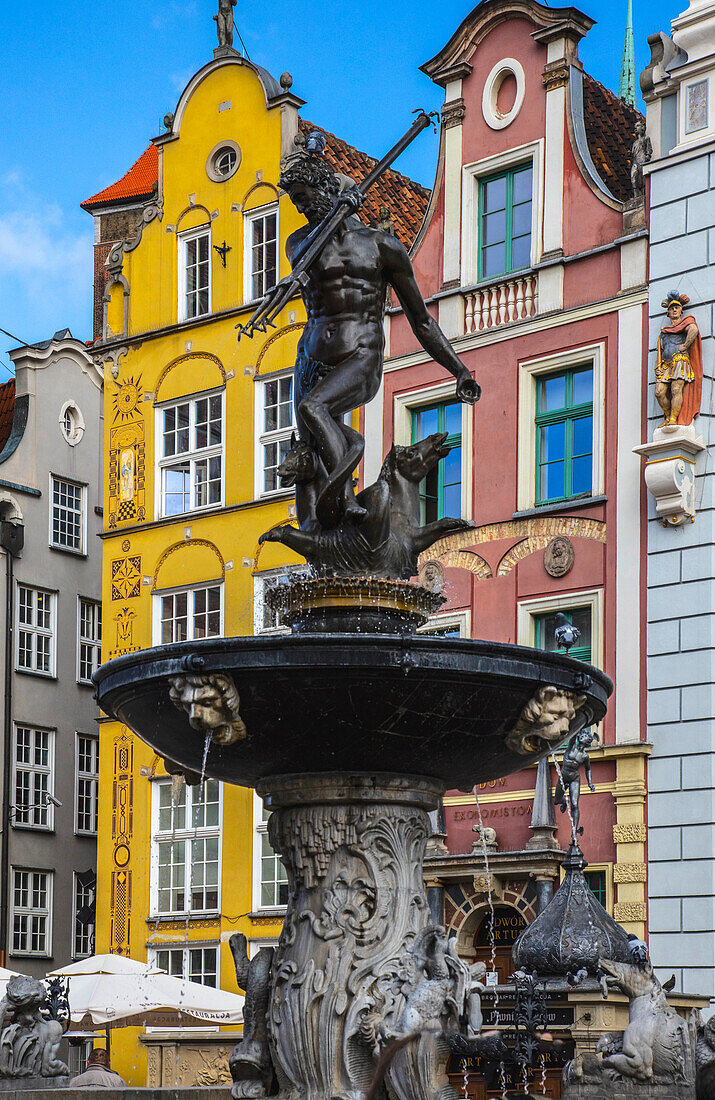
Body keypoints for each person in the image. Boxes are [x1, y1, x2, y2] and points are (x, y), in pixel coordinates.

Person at [277, 139, 479, 526]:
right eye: (296, 202)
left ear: (324, 189)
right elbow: (309, 257)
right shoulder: (299, 242)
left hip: (361, 355)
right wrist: (336, 214)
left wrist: (459, 370)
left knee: (313, 408)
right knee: (308, 454)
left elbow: (421, 320)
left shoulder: (383, 247)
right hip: (311, 358)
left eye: (303, 198)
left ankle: (347, 495)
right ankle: (326, 524)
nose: (300, 209)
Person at [655, 291, 702, 427]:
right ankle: (668, 415)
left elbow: (693, 330)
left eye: (676, 308)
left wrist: (686, 345)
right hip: (665, 365)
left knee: (676, 390)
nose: (674, 310)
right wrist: (657, 368)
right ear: (668, 313)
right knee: (659, 392)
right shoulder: (664, 331)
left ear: (681, 310)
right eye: (671, 308)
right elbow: (660, 350)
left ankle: (674, 418)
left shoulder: (685, 323)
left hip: (680, 360)